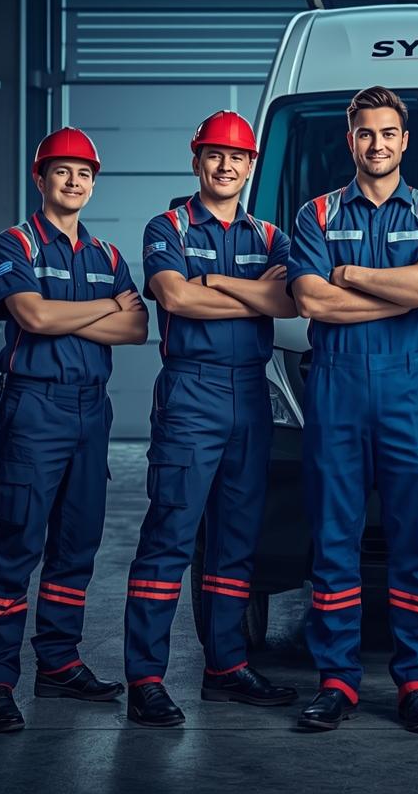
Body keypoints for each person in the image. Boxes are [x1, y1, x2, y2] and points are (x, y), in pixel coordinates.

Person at [287, 86, 418, 734]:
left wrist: (352, 274)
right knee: (335, 543)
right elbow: (310, 301)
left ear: (405, 140)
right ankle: (337, 681)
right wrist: (399, 290)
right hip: (335, 390)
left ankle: (416, 681)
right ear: (350, 138)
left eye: (389, 133)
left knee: (416, 542)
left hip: (407, 391)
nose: (378, 144)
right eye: (367, 133)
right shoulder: (317, 214)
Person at [0, 126, 148, 733]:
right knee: (18, 544)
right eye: (62, 171)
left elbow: (137, 329)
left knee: (77, 544)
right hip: (34, 407)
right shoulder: (12, 243)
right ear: (40, 178)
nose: (74, 182)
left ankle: (58, 662)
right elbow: (33, 315)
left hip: (90, 410)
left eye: (85, 174)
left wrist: (69, 316)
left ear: (93, 184)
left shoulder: (109, 256)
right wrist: (103, 309)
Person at [123, 111, 301, 727]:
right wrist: (250, 291)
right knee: (169, 538)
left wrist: (216, 282)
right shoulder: (165, 225)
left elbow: (289, 300)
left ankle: (226, 667)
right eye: (214, 155)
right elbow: (172, 296)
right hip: (190, 395)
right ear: (196, 160)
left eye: (237, 158)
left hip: (251, 396)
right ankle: (145, 678)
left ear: (251, 167)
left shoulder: (272, 236)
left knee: (235, 540)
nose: (226, 166)